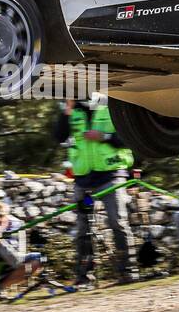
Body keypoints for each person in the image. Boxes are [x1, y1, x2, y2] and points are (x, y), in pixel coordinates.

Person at [54, 94, 136, 288]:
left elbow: (130, 138)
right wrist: (66, 111)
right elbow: (59, 136)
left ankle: (128, 272)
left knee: (117, 221)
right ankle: (85, 277)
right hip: (84, 180)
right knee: (84, 227)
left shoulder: (112, 106)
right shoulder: (72, 110)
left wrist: (104, 137)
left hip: (111, 175)